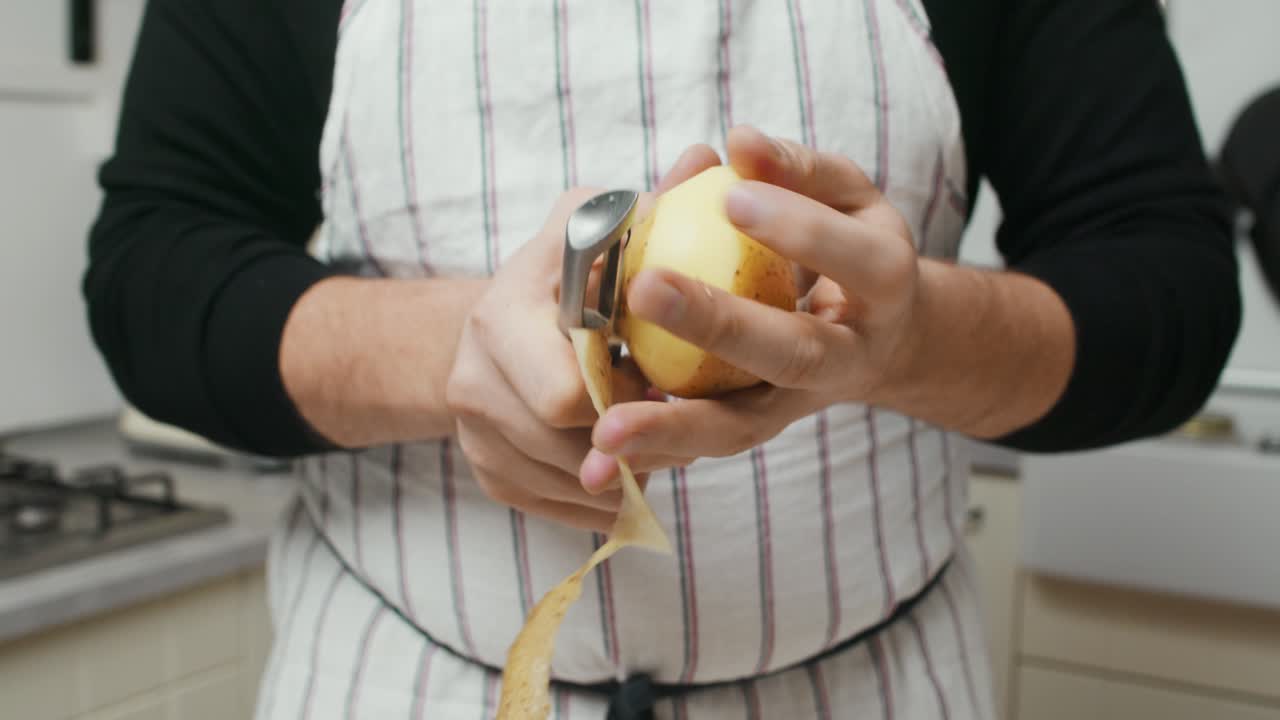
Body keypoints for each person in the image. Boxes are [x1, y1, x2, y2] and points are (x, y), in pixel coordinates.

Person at [83, 0, 1240, 717]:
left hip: (873, 691)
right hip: (405, 684)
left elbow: (1166, 287)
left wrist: (913, 338)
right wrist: (451, 350)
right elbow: (154, 272)